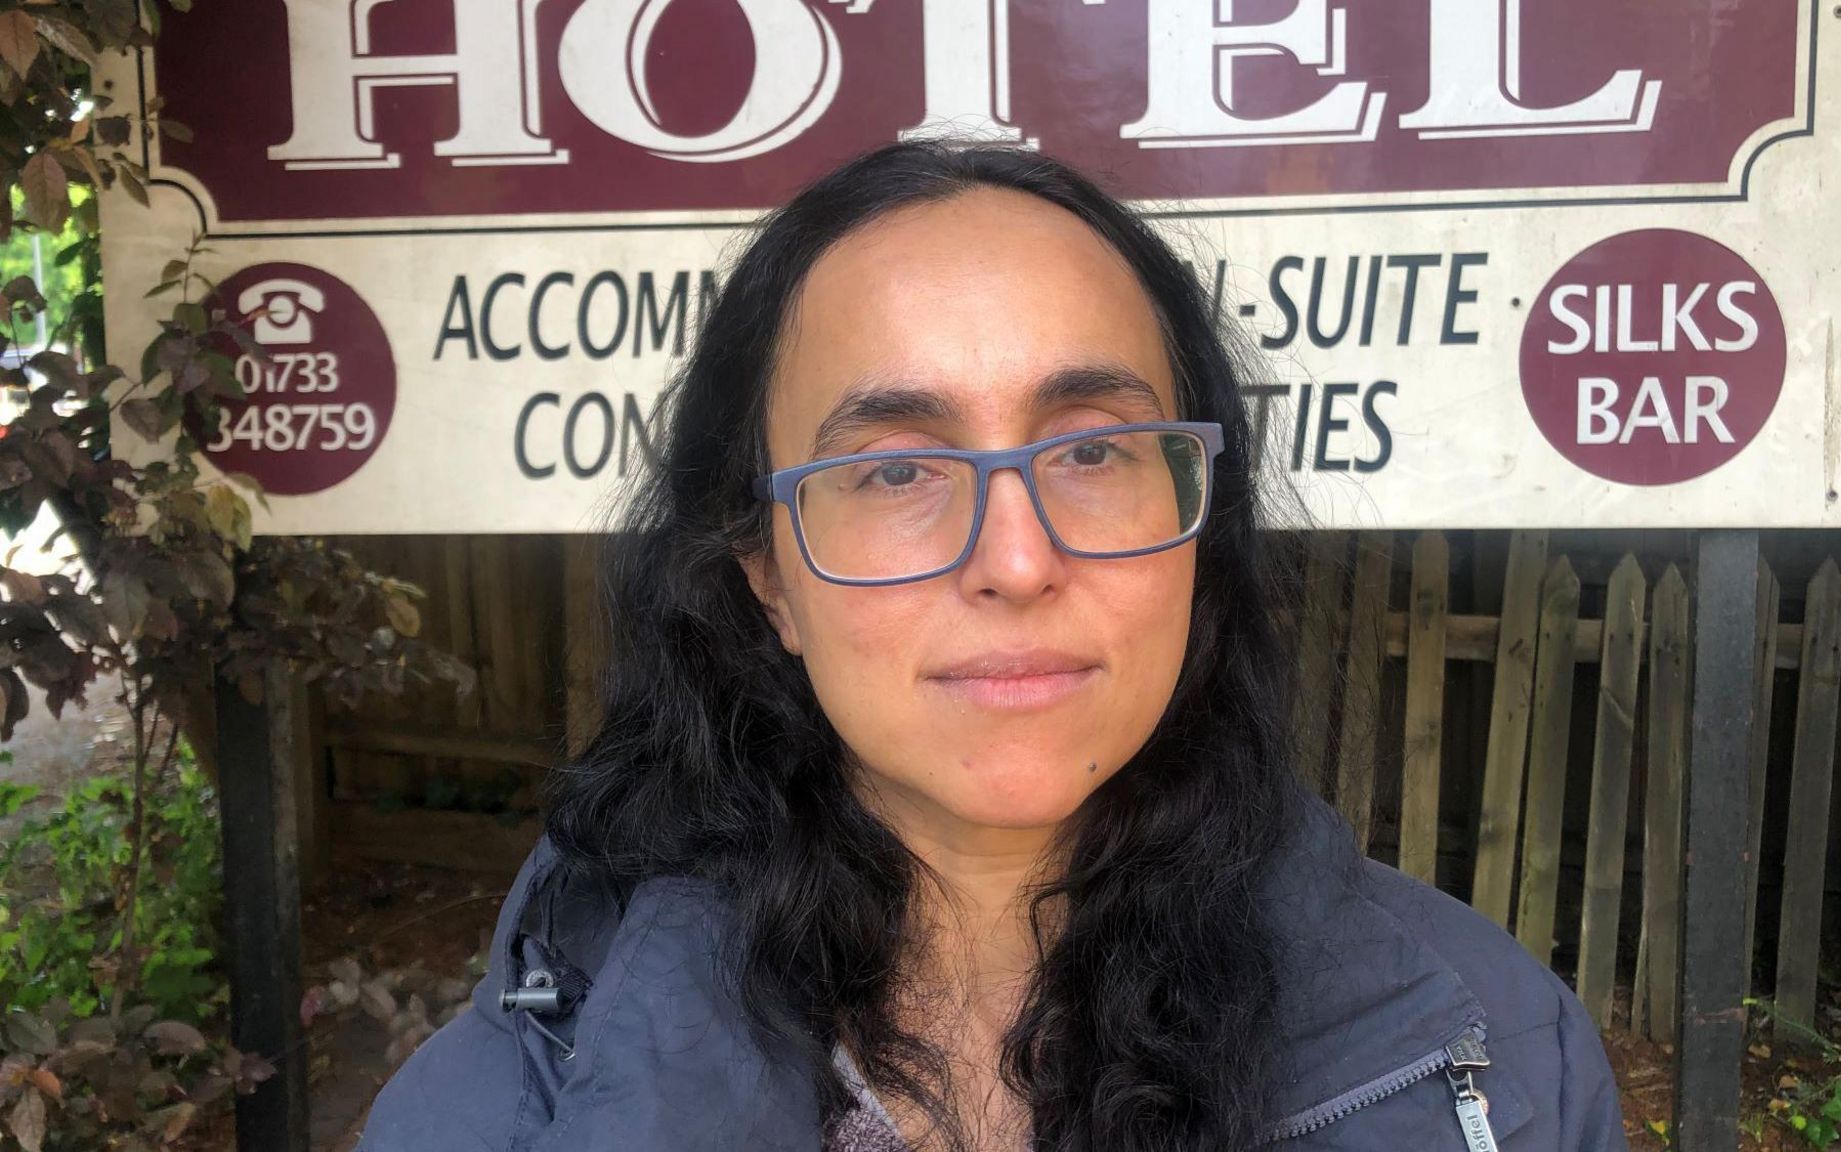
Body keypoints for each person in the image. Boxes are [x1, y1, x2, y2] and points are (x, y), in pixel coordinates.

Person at [356, 141, 1627, 1152]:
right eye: (898, 467)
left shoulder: (1499, 1069)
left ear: (1195, 524)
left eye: (1089, 449)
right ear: (766, 579)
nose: (1016, 562)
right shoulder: (499, 1115)